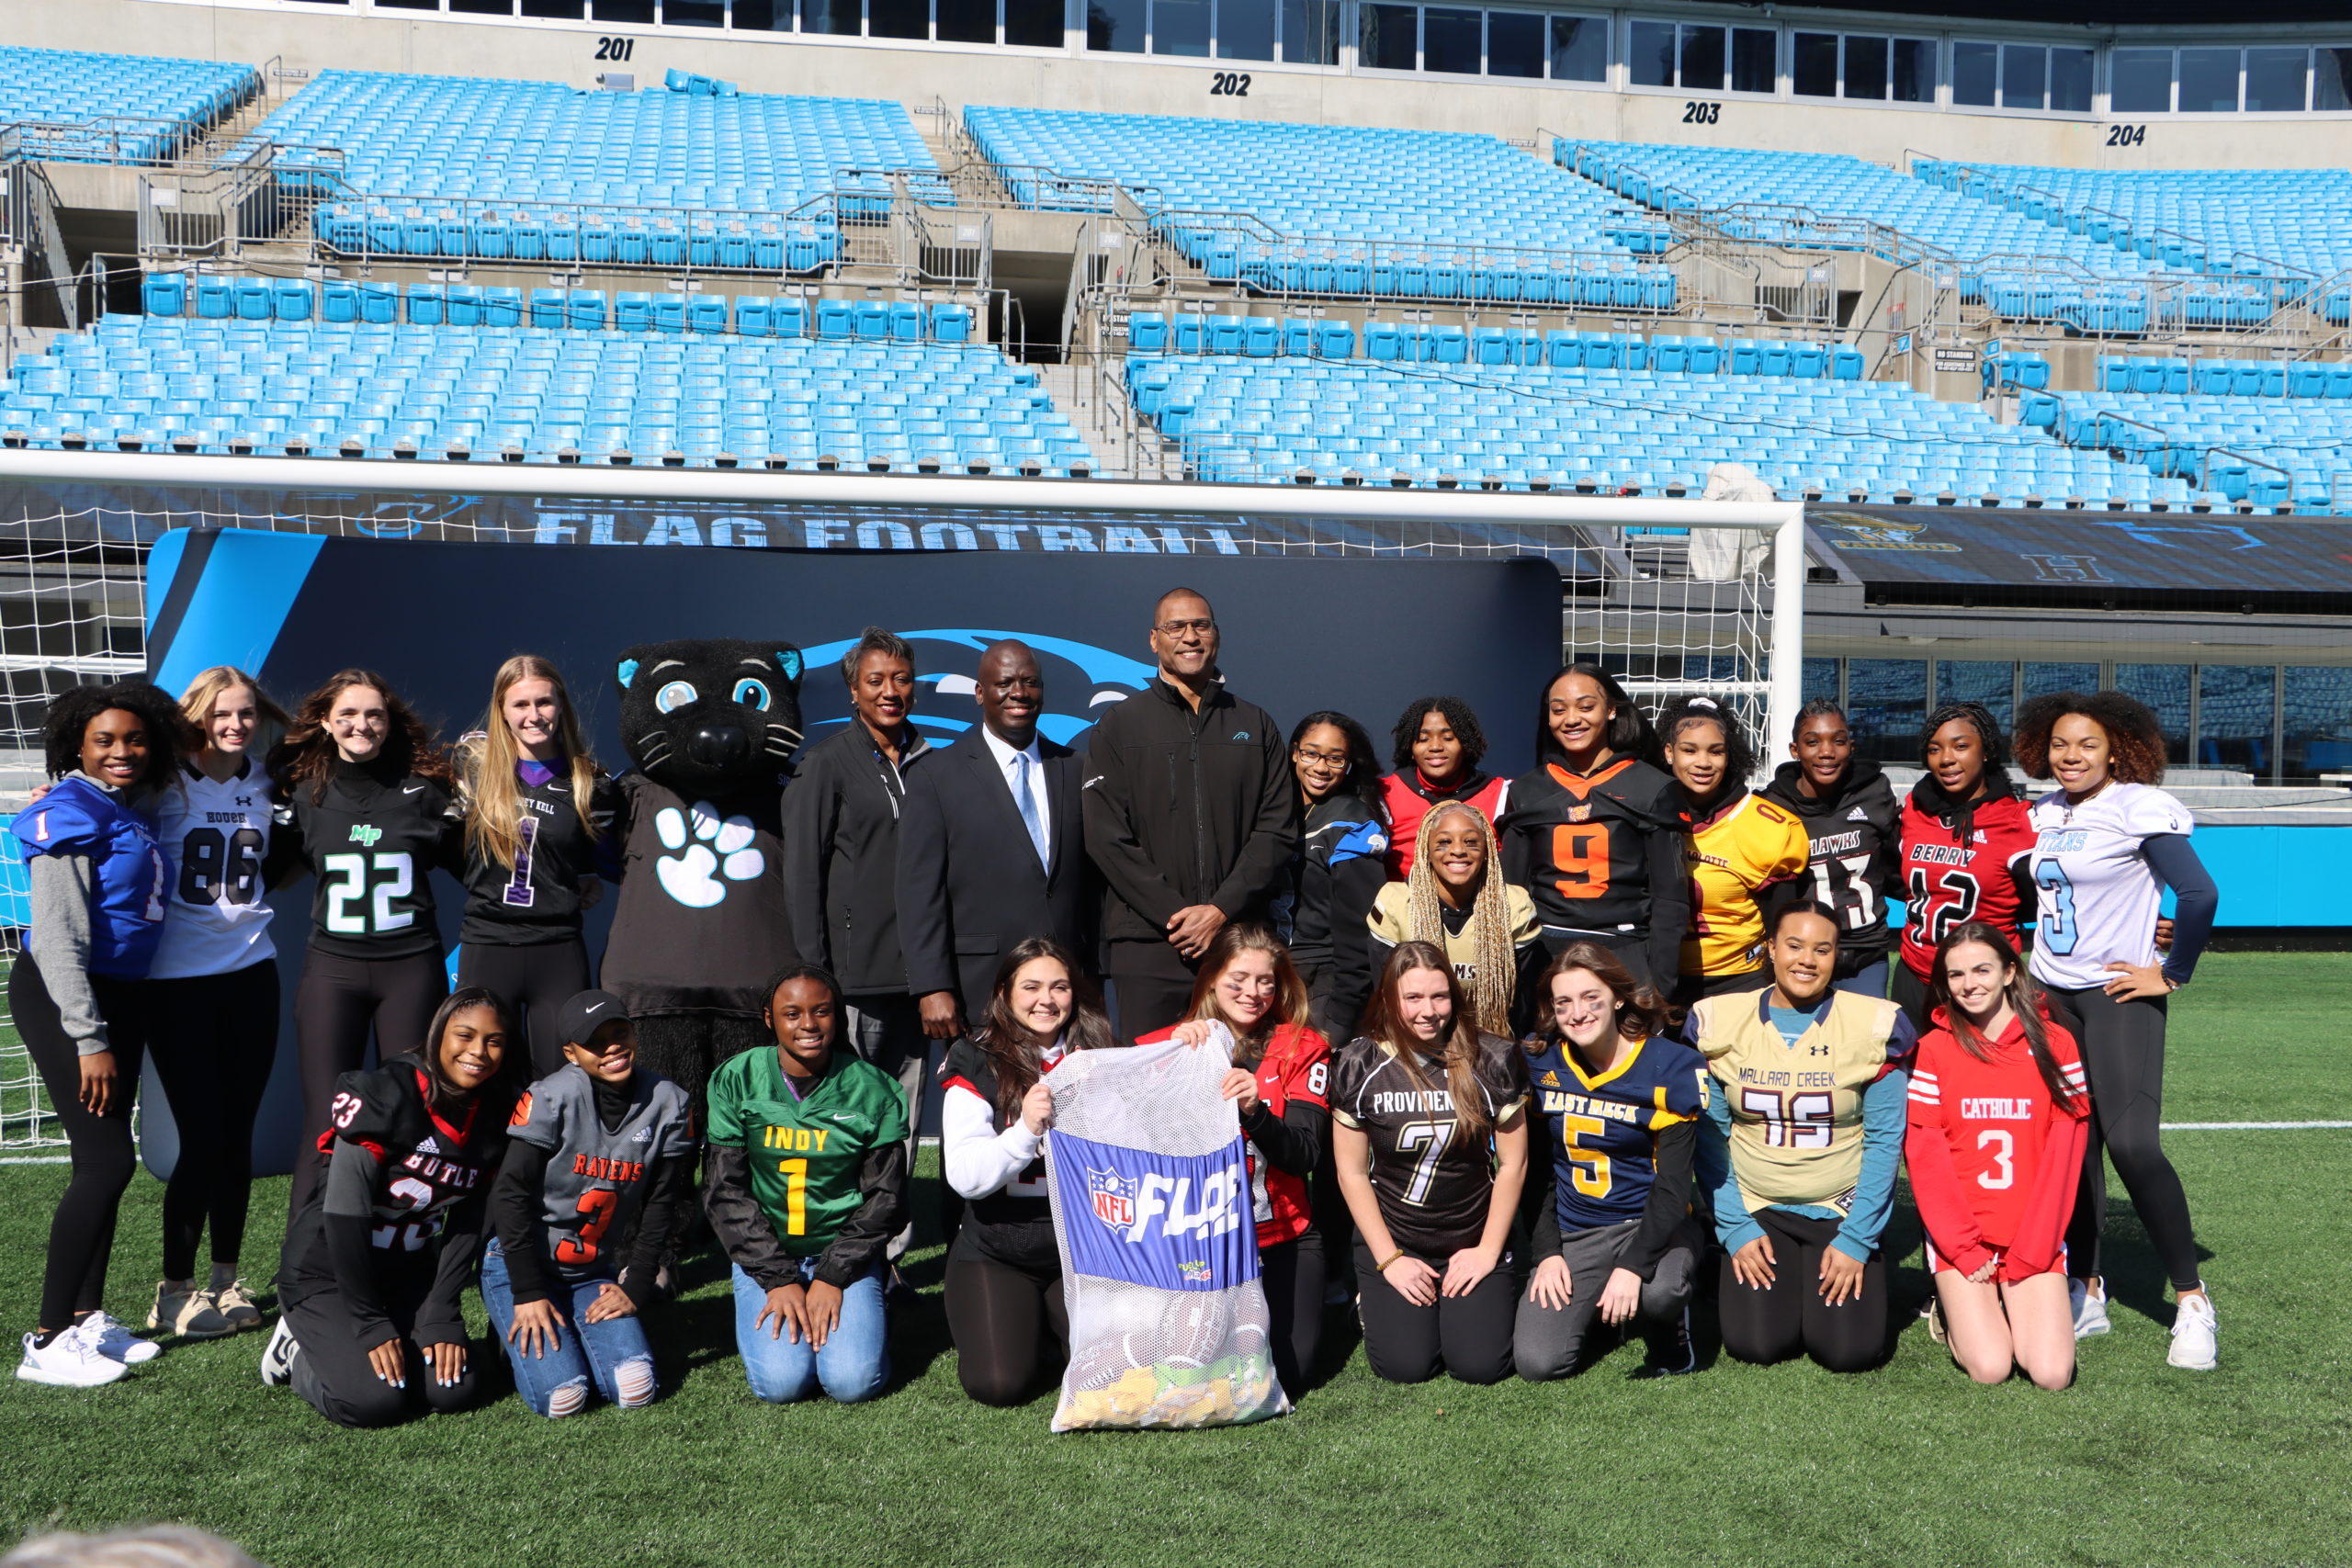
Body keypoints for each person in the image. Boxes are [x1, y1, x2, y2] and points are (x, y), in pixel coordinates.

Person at [2016, 691, 2220, 1369]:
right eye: (2060, 745)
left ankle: (2191, 1299)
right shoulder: (2040, 812)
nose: (2070, 756)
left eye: (2087, 745)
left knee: (2131, 1143)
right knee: (2071, 1145)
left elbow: (2198, 893)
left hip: (2114, 992)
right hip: (2049, 993)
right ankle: (2088, 1285)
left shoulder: (2137, 804)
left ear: (2117, 749)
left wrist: (2173, 971)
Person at [10, 682, 182, 1387]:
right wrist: (89, 1036)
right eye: (105, 739)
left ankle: (86, 1318)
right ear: (76, 744)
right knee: (106, 1161)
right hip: (67, 997)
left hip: (117, 994)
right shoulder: (69, 810)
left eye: (135, 739)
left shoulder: (127, 807)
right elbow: (55, 940)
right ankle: (47, 1337)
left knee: (108, 1162)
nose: (122, 751)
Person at [262, 987, 515, 1427]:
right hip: (328, 1274)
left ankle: (381, 1336)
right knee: (373, 1402)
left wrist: (442, 1312)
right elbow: (344, 1217)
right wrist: (369, 1322)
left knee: (454, 1390)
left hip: (406, 1272)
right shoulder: (387, 1092)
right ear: (439, 1034)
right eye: (465, 1035)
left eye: (493, 1041)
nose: (478, 1052)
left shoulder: (496, 1111)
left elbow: (469, 1223)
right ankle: (297, 1349)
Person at [1692, 902, 1916, 1373]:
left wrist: (1857, 1237)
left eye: (1822, 949)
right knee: (1758, 1344)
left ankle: (1839, 1265)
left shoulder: (1873, 1024)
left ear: (1837, 956)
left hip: (1839, 1204)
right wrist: (1734, 1226)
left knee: (1848, 1352)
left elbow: (1884, 1143)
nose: (1806, 960)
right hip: (1757, 1204)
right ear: (1770, 948)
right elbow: (1712, 1140)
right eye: (1793, 945)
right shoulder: (1721, 1019)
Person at [270, 669, 461, 1220]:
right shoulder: (304, 795)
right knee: (326, 1117)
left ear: (389, 721)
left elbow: (482, 869)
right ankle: (306, 1271)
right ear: (327, 723)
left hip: (410, 969)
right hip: (335, 970)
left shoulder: (426, 793)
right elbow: (257, 868)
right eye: (348, 714)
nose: (362, 724)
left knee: (408, 1112)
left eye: (373, 714)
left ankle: (397, 1249)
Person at [141, 667, 288, 1342]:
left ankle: (227, 1280)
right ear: (196, 716)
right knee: (201, 1136)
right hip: (178, 981)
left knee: (237, 1135)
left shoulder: (267, 783)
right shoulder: (164, 781)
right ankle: (172, 1288)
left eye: (245, 714)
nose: (234, 725)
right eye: (220, 714)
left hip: (250, 974)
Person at [1082, 587, 1298, 1038]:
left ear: (1216, 635)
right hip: (1148, 944)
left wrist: (1219, 910)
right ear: (1154, 639)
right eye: (1175, 626)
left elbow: (1276, 830)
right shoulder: (1120, 725)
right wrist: (1178, 916)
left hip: (1238, 945)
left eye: (1201, 624)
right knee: (1149, 1090)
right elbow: (1106, 837)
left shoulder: (1254, 724)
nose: (1190, 636)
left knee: (1236, 1086)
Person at [783, 627, 932, 1269]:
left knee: (901, 1121)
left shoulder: (932, 759)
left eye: (899, 678)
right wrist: (816, 975)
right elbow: (803, 874)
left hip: (919, 978)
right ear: (853, 689)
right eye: (876, 680)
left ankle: (889, 1254)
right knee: (846, 1123)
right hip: (850, 979)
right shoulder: (829, 762)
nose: (890, 691)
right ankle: (838, 1247)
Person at [482, 989, 695, 1418]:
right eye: (595, 1042)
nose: (612, 1046)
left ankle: (567, 1326)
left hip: (589, 1270)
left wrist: (635, 1285)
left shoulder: (670, 1101)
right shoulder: (550, 1096)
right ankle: (507, 1333)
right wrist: (527, 1291)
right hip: (522, 1264)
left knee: (635, 1389)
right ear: (571, 1053)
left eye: (619, 1032)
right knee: (564, 1397)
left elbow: (661, 1203)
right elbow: (508, 1196)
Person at [705, 964, 909, 1404]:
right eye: (792, 1014)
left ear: (837, 1015)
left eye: (822, 1011)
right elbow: (725, 1192)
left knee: (852, 1383)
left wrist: (834, 1275)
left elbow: (886, 1198)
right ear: (769, 1019)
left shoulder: (873, 1089)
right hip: (768, 1253)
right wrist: (777, 1278)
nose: (809, 1025)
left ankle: (872, 1297)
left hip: (843, 1253)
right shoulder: (737, 1079)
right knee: (781, 1384)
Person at [1141, 924, 1331, 1393]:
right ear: (1209, 979)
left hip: (1283, 1233)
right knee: (1188, 1369)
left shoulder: (1303, 1047)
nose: (1254, 992)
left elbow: (1304, 1153)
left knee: (1291, 1374)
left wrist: (1255, 1112)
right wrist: (1175, 1071)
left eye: (1266, 980)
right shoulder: (1164, 1046)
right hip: (1197, 1241)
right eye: (1238, 979)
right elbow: (1142, 1150)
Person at [1329, 941, 1530, 1385]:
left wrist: (1487, 1252)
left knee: (1479, 1366)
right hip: (1399, 1239)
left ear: (1454, 998)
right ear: (1388, 1000)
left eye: (1439, 996)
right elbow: (1351, 1172)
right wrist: (1390, 1259)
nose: (1428, 1010)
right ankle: (1372, 1299)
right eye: (1413, 998)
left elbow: (1513, 1166)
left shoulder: (1491, 1057)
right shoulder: (1358, 1063)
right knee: (1406, 1366)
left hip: (1472, 1235)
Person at [939, 938, 1121, 1406]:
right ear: (1005, 993)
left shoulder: (1102, 1052)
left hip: (1082, 1251)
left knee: (1118, 1372)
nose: (1047, 1000)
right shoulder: (974, 1056)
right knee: (999, 1384)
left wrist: (1188, 1041)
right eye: (1032, 987)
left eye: (1059, 988)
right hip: (998, 1248)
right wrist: (1024, 1130)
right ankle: (1031, 1328)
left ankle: (1049, 1325)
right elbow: (965, 1176)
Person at [1906, 923, 2088, 1391]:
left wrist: (2037, 1245)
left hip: (2031, 1232)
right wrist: (1962, 1247)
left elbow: (2066, 1152)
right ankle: (1955, 1309)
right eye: (1956, 974)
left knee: (2050, 1373)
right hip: (1963, 1235)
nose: (1970, 984)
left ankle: (2007, 1299)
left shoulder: (2056, 1043)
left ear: (2010, 971)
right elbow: (1925, 1155)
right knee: (1991, 1368)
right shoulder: (1934, 1048)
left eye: (1983, 969)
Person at [1513, 942, 1707, 1381]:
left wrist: (1631, 1266)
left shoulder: (1669, 1066)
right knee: (1538, 1363)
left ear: (1618, 997)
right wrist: (1547, 1252)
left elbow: (1675, 1187)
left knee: (1660, 1292)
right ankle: (1603, 1313)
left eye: (1590, 998)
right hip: (1578, 1228)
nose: (1577, 1013)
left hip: (1652, 1222)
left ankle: (1670, 1329)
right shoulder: (1541, 1062)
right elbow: (1537, 1170)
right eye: (1564, 1002)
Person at [898, 638, 1092, 1040]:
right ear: (980, 693)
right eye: (1005, 683)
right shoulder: (936, 775)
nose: (1018, 693)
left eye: (1030, 682)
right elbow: (919, 893)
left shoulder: (1074, 768)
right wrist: (932, 986)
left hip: (1068, 994)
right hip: (980, 993)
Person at [452, 655, 619, 1078]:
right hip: (488, 942)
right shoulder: (473, 766)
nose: (533, 715)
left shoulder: (590, 782)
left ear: (561, 704)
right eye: (520, 705)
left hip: (557, 946)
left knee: (560, 1078)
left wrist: (586, 877)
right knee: (480, 1077)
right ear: (502, 710)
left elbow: (602, 860)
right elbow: (447, 847)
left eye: (543, 702)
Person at [1498, 663, 1688, 989]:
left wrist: (1660, 984)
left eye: (1586, 707)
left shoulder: (1653, 787)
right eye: (1559, 710)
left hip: (1625, 951)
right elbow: (1510, 896)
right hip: (1545, 956)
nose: (1572, 719)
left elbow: (1669, 899)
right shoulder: (1526, 791)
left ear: (1612, 710)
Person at [1895, 702, 2038, 1030]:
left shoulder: (2018, 821)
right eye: (1935, 749)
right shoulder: (1913, 810)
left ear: (1986, 750)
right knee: (1913, 1077)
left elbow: (2052, 897)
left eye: (1961, 746)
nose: (1946, 759)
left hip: (1980, 984)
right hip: (1915, 973)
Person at [1660, 694, 1809, 1006]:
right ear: (1669, 752)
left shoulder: (1769, 827)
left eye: (1716, 751)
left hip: (1741, 982)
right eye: (1689, 750)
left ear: (1730, 756)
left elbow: (1783, 930)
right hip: (1661, 979)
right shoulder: (1646, 815)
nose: (1703, 763)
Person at [1758, 701, 1901, 998]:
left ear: (1852, 746)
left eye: (1838, 741)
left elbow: (1895, 863)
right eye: (1812, 742)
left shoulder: (1875, 792)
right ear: (1795, 750)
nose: (1826, 752)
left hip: (1865, 952)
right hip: (1804, 955)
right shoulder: (1773, 806)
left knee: (1864, 1040)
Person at [1367, 802, 1541, 1039]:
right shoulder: (1396, 902)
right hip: (1414, 1038)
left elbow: (1522, 1002)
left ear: (1487, 849)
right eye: (1444, 842)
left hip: (1489, 1039)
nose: (1458, 850)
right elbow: (1385, 994)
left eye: (1471, 842)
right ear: (1425, 850)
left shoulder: (1514, 905)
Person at [1274, 710, 1387, 1046]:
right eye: (1311, 753)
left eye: (1335, 759)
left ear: (1349, 765)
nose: (1321, 767)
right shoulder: (1268, 810)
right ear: (1294, 752)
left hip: (1322, 982)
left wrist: (1340, 1016)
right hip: (1266, 979)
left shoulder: (1353, 823)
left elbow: (1360, 931)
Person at [1376, 697, 1509, 881]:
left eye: (1448, 738)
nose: (1436, 747)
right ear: (1410, 748)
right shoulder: (1385, 793)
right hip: (1405, 905)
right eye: (1423, 739)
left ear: (1465, 744)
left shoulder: (1500, 793)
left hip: (1480, 905)